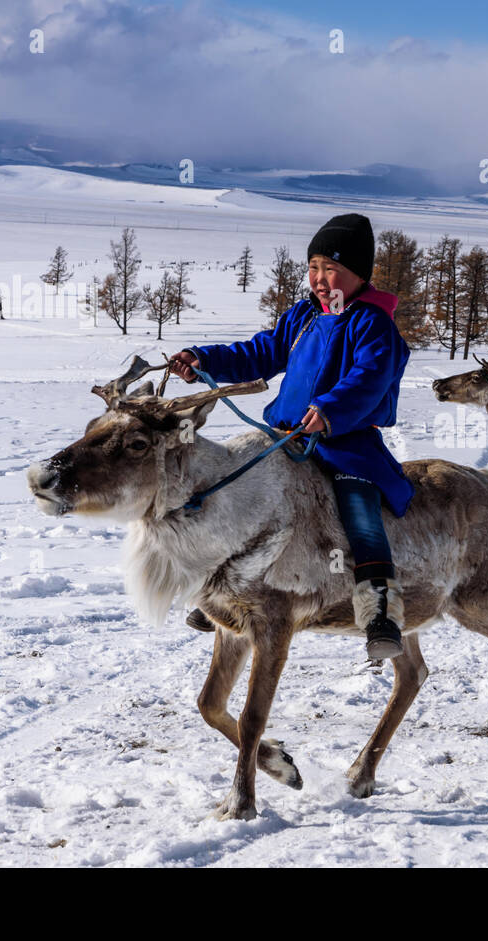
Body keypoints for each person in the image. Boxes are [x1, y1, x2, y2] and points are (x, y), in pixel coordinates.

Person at [167, 213, 412, 660]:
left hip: (345, 444)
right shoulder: (302, 317)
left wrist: (330, 410)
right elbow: (260, 353)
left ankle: (379, 607)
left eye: (331, 268)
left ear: (359, 274)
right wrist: (203, 359)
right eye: (314, 267)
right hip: (283, 438)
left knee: (359, 513)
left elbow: (370, 377)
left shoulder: (373, 324)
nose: (320, 278)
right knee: (237, 495)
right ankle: (227, 588)